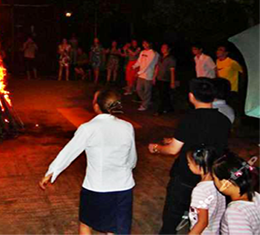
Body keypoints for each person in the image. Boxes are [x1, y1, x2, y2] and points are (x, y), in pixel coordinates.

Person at [40, 90, 137, 235]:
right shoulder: (127, 127)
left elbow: (69, 152)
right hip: (124, 188)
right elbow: (132, 158)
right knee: (114, 228)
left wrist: (51, 172)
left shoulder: (88, 128)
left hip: (97, 188)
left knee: (86, 223)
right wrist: (126, 169)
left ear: (97, 107)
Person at [148, 78, 231, 234]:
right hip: (212, 177)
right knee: (207, 216)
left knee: (172, 215)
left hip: (187, 175)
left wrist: (157, 148)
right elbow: (207, 140)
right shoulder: (224, 120)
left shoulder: (189, 119)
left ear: (191, 96)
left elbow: (173, 150)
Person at [212, 152, 260, 234]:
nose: (213, 182)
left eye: (214, 179)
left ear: (224, 182)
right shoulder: (256, 196)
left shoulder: (235, 212)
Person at [186, 146, 225, 234]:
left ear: (200, 166)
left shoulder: (200, 191)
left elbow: (202, 222)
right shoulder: (220, 184)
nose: (188, 165)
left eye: (189, 163)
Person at [133, 40, 158, 111]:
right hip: (141, 74)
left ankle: (145, 105)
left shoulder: (152, 53)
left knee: (147, 91)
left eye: (145, 43)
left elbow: (148, 65)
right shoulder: (142, 52)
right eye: (143, 43)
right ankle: (146, 101)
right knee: (138, 89)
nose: (144, 44)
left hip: (148, 75)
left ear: (149, 44)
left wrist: (138, 73)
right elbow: (139, 61)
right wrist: (134, 66)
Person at [154, 43, 176, 115]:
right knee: (163, 95)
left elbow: (172, 70)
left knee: (163, 95)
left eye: (164, 48)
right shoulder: (160, 57)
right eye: (162, 47)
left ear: (168, 49)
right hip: (159, 78)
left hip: (166, 79)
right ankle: (169, 108)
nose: (162, 49)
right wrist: (154, 77)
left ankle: (160, 110)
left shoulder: (171, 58)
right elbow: (157, 67)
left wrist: (172, 82)